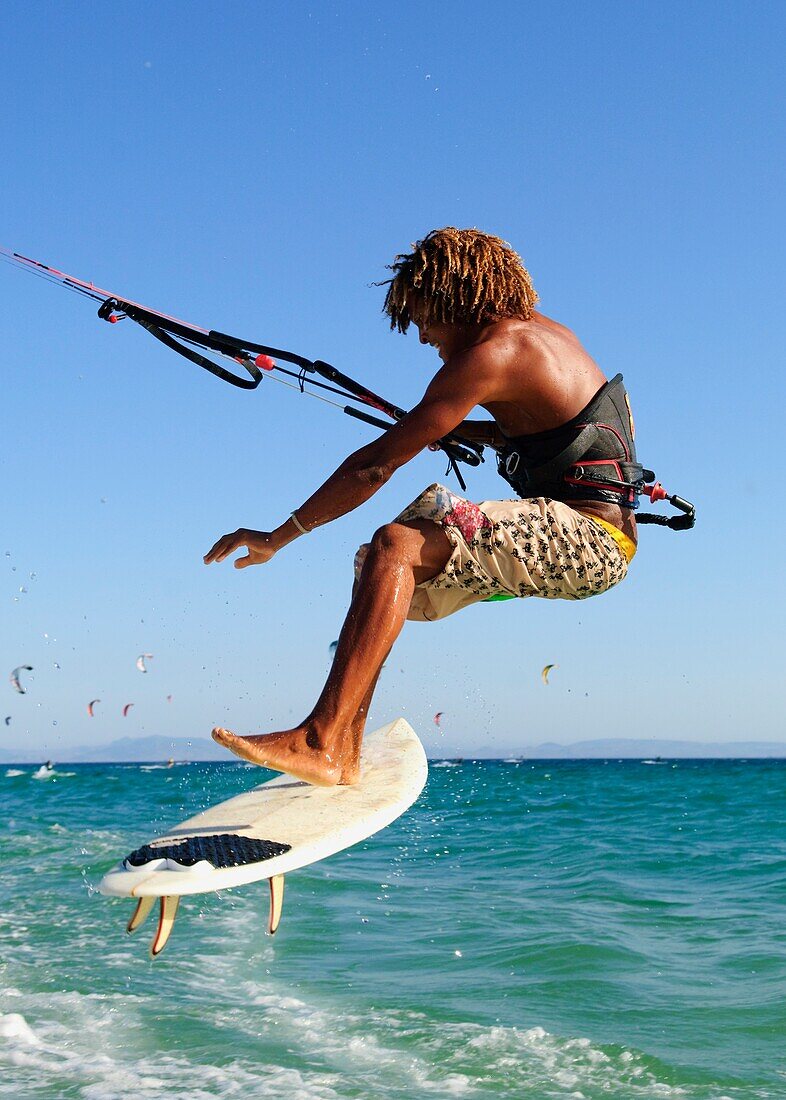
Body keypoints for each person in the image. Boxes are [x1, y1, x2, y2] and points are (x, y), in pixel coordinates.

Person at [204, 228, 640, 786]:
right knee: (378, 566)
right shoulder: (546, 336)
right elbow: (560, 429)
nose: (422, 335)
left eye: (422, 317)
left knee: (397, 545)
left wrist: (279, 536)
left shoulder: (490, 355)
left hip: (587, 542)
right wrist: (474, 430)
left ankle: (320, 740)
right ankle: (344, 747)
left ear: (452, 296)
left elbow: (375, 466)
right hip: (596, 539)